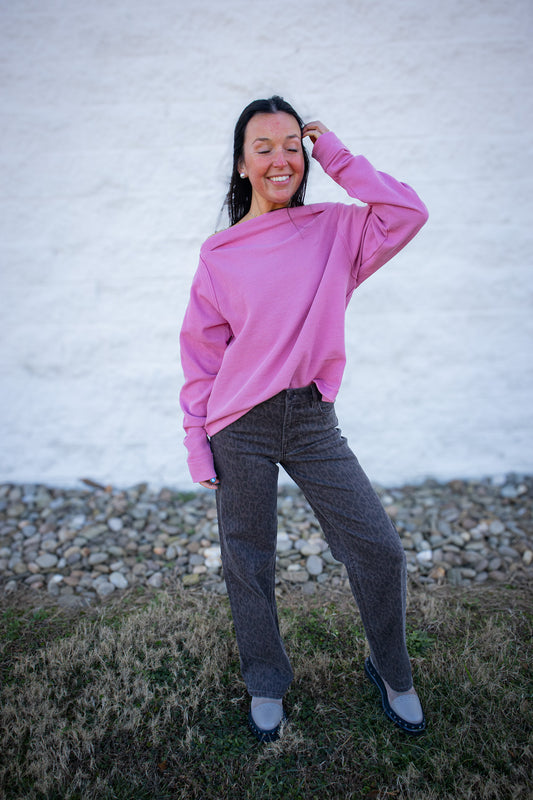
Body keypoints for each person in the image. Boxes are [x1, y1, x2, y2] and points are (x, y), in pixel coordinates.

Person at [179, 95, 429, 742]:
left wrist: (338, 154)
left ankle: (390, 668)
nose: (279, 159)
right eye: (262, 148)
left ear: (306, 152)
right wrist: (195, 441)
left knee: (378, 549)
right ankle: (266, 681)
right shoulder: (219, 254)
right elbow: (202, 356)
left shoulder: (336, 229)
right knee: (248, 560)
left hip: (312, 420)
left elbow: (407, 212)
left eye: (291, 144)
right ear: (241, 165)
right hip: (239, 424)